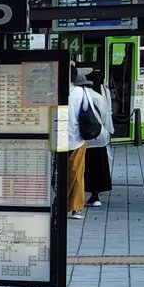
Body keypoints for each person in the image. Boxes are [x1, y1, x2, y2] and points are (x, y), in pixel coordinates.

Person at [62, 68, 94, 220]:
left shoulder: (53, 90)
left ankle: (60, 203)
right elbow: (90, 110)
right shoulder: (82, 92)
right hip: (77, 138)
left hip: (57, 138)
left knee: (58, 174)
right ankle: (75, 207)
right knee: (77, 174)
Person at [84, 68, 114, 208]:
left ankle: (77, 195)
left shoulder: (79, 95)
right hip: (98, 137)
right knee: (97, 167)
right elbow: (104, 116)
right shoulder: (99, 96)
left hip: (82, 139)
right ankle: (95, 195)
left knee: (83, 167)